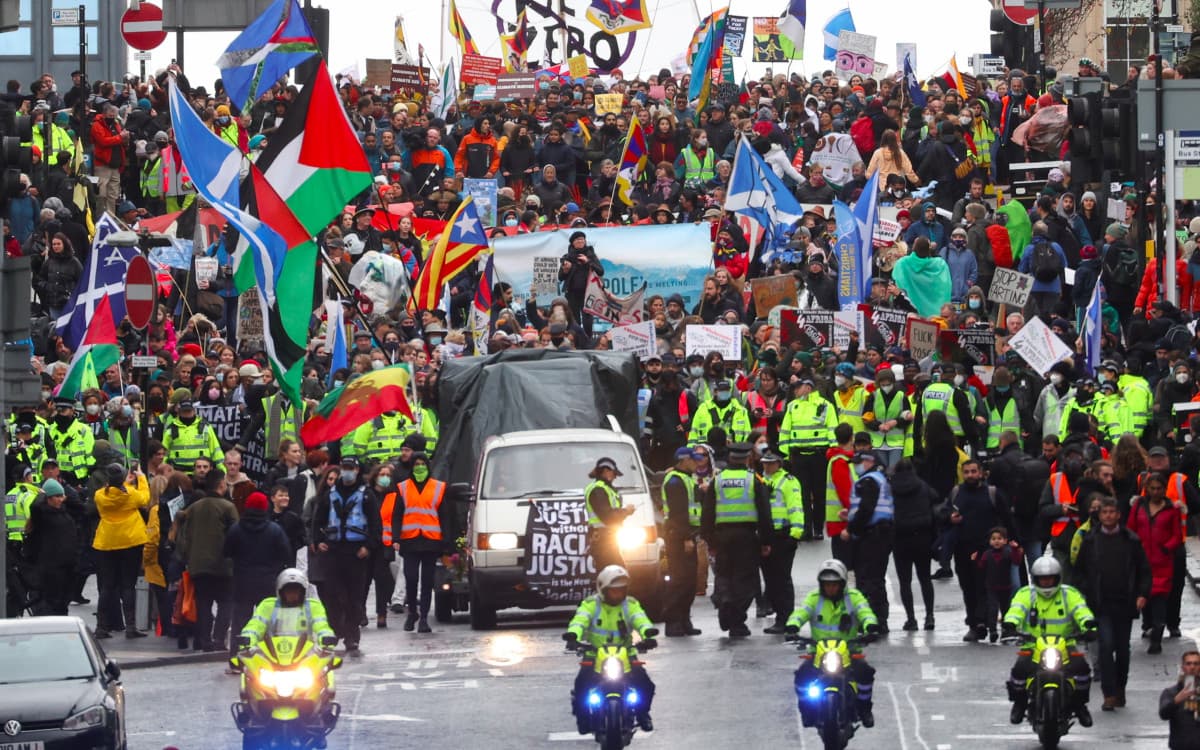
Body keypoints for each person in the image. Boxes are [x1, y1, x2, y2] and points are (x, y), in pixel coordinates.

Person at [1073, 496, 1151, 711]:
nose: (1108, 516)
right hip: (1101, 603)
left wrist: (1142, 593)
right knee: (1106, 646)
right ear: (1099, 515)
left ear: (1118, 515)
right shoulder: (1090, 540)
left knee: (1123, 649)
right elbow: (1078, 571)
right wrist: (1083, 595)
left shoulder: (1131, 540)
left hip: (1125, 603)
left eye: (1111, 512)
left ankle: (1120, 688)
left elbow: (1144, 570)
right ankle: (1109, 693)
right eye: (1104, 512)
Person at [1003, 555, 1097, 728]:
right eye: (1042, 579)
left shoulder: (1069, 593)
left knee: (1082, 669)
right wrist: (1010, 623)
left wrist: (1088, 624)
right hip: (1033, 645)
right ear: (1035, 579)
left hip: (1065, 644)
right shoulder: (1026, 594)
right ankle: (1020, 703)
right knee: (1019, 670)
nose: (1046, 583)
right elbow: (1017, 609)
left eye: (1050, 579)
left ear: (1058, 578)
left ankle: (1080, 704)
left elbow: (1080, 609)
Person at [786, 559, 882, 728]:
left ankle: (865, 709)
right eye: (827, 584)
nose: (830, 588)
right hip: (819, 652)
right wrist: (793, 625)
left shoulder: (854, 597)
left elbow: (864, 611)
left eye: (834, 584)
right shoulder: (814, 598)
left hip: (849, 650)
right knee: (801, 677)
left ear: (842, 584)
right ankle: (806, 711)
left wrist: (870, 625)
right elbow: (802, 612)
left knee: (865, 673)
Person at [564, 565, 657, 734]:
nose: (618, 594)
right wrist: (573, 635)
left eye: (621, 590)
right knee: (581, 685)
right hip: (594, 653)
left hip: (626, 653)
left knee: (645, 684)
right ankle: (583, 718)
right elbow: (580, 620)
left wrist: (647, 633)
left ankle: (643, 713)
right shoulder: (591, 604)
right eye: (614, 591)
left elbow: (640, 619)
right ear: (603, 589)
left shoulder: (630, 604)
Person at [308, 456, 380, 657]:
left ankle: (352, 636)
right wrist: (317, 540)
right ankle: (337, 628)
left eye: (351, 468)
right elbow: (318, 519)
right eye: (344, 468)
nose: (347, 472)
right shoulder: (330, 494)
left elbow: (375, 524)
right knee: (332, 594)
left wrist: (369, 546)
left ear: (357, 470)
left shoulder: (366, 495)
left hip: (356, 552)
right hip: (333, 550)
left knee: (354, 597)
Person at [702, 442, 773, 637]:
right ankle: (736, 620)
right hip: (746, 536)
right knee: (745, 579)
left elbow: (707, 512)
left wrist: (709, 540)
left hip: (722, 535)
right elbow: (764, 512)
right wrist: (766, 541)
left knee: (723, 573)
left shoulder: (718, 480)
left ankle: (724, 599)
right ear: (747, 458)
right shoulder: (753, 480)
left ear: (730, 458)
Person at [945, 459, 1013, 642]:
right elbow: (943, 513)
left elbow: (1006, 516)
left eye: (973, 471)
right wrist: (950, 518)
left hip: (988, 551)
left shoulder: (991, 493)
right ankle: (974, 624)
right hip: (963, 548)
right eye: (966, 472)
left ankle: (985, 622)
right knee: (968, 587)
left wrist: (1013, 541)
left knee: (987, 588)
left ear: (981, 473)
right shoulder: (956, 492)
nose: (970, 475)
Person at [223, 491, 292, 660]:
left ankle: (236, 658)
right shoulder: (274, 530)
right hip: (267, 581)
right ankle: (270, 658)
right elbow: (286, 554)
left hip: (242, 580)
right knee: (268, 621)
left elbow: (226, 552)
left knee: (240, 621)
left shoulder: (236, 529)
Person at [176, 468, 239, 652]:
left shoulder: (193, 508)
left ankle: (204, 641)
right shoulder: (228, 507)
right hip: (222, 565)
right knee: (225, 602)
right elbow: (235, 535)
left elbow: (184, 536)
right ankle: (219, 639)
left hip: (197, 565)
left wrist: (187, 557)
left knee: (203, 603)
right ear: (221, 485)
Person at [390, 452, 452, 633]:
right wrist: (395, 538)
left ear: (428, 465)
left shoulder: (438, 487)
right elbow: (397, 515)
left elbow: (445, 517)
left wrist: (446, 542)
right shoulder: (403, 488)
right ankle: (412, 613)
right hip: (410, 541)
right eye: (416, 464)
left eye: (422, 463)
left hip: (431, 542)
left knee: (427, 581)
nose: (419, 467)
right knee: (411, 578)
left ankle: (423, 617)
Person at [92, 463, 150, 639]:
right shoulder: (131, 495)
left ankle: (102, 626)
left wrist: (122, 483)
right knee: (128, 585)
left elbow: (109, 492)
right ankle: (131, 627)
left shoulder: (100, 496)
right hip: (130, 542)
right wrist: (141, 477)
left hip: (106, 542)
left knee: (107, 586)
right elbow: (145, 498)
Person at [1127, 472, 1182, 655]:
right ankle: (1149, 625)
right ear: (1147, 489)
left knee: (1159, 599)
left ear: (1164, 489)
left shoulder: (1171, 509)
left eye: (1159, 488)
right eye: (1152, 488)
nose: (1156, 492)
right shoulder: (1138, 507)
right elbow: (1131, 529)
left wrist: (1166, 548)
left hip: (1162, 562)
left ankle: (1157, 636)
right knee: (1145, 596)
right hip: (1142, 562)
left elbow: (1177, 535)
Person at [843, 450, 894, 632]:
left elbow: (866, 509)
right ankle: (879, 620)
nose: (855, 466)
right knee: (876, 578)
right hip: (882, 533)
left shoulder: (869, 480)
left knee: (868, 579)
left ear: (869, 461)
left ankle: (872, 620)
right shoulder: (881, 479)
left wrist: (850, 529)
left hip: (871, 535)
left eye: (858, 462)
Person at [781, 378, 837, 541]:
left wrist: (833, 453)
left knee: (819, 494)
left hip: (819, 455)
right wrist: (785, 455)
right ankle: (806, 528)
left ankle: (818, 528)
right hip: (798, 456)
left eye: (797, 388)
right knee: (802, 494)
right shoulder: (792, 406)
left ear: (807, 388)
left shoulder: (825, 405)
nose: (795, 391)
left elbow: (832, 428)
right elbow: (785, 430)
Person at [889, 459, 938, 631]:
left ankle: (911, 619)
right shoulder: (922, 486)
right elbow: (935, 499)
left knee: (905, 581)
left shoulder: (890, 488)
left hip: (900, 538)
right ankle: (930, 615)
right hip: (922, 537)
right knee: (925, 579)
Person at [759, 451, 804, 635]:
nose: (766, 467)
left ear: (779, 463)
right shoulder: (761, 480)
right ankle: (780, 617)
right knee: (771, 580)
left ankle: (786, 619)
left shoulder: (788, 481)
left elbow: (796, 507)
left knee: (782, 579)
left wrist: (795, 534)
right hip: (767, 535)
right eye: (764, 464)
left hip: (783, 535)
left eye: (770, 464)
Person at [238, 568, 335, 653]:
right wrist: (247, 640)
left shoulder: (312, 606)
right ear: (280, 591)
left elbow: (322, 627)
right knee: (249, 671)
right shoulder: (268, 605)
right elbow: (255, 626)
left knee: (324, 672)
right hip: (270, 656)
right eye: (288, 590)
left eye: (296, 590)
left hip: (306, 656)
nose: (292, 594)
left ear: (303, 592)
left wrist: (326, 641)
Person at [22, 478, 81, 615]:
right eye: (57, 496)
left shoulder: (64, 512)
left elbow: (80, 508)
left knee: (63, 604)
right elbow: (35, 507)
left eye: (62, 496)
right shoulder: (42, 516)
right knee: (52, 605)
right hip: (51, 571)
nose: (61, 500)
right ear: (48, 498)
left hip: (68, 568)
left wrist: (65, 493)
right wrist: (42, 494)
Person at [661, 447, 703, 637]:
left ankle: (684, 620)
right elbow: (678, 514)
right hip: (678, 536)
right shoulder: (675, 481)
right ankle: (673, 622)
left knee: (689, 581)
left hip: (688, 534)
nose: (697, 463)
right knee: (679, 580)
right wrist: (686, 538)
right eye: (694, 460)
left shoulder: (686, 478)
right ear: (683, 460)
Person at [972, 527, 1023, 643]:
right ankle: (993, 631)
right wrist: (975, 560)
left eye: (999, 539)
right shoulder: (987, 554)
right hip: (991, 587)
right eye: (993, 539)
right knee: (992, 609)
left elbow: (1016, 561)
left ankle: (1006, 630)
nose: (996, 541)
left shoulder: (1009, 552)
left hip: (1006, 586)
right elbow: (981, 567)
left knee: (1006, 609)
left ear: (1005, 541)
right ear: (990, 541)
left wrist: (1016, 549)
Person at [585, 456, 635, 573]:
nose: (615, 477)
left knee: (613, 576)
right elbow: (608, 517)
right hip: (604, 541)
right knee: (615, 575)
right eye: (614, 473)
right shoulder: (598, 490)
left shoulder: (606, 489)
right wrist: (625, 511)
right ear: (606, 471)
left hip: (608, 539)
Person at [1159, 651, 1200, 749]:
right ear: (1183, 667)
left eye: (1196, 664)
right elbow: (1163, 714)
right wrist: (1176, 701)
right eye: (1188, 663)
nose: (1192, 667)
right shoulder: (1170, 692)